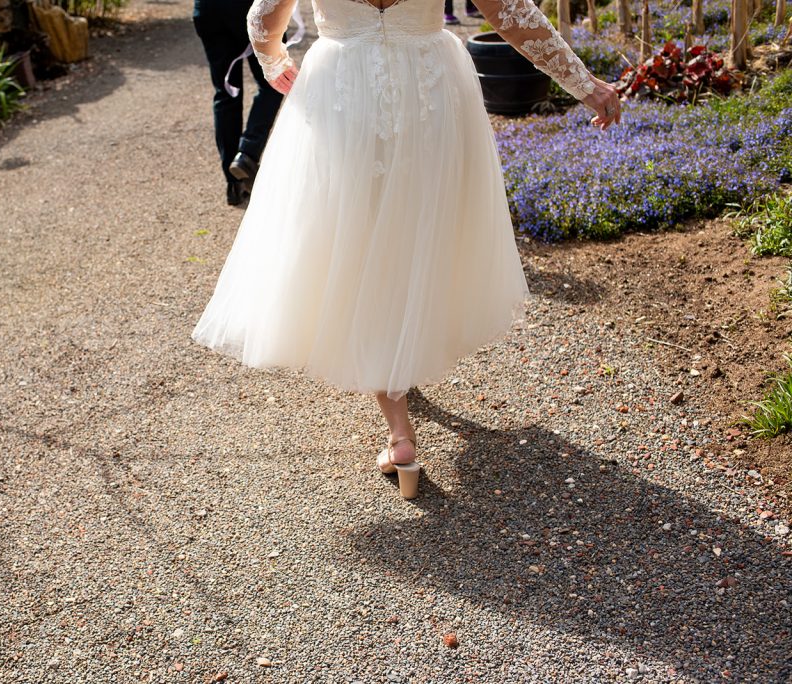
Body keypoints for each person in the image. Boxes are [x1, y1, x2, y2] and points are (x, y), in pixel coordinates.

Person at [191, 0, 621, 499]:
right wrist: (587, 87)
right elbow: (514, 18)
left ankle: (400, 432)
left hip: (344, 92)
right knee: (418, 229)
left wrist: (274, 62)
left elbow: (263, 19)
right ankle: (401, 375)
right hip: (430, 89)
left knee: (364, 236)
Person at [192, 0, 286, 206]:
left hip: (208, 10)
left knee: (226, 94)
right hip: (249, 7)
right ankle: (247, 153)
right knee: (274, 81)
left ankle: (234, 183)